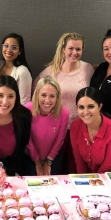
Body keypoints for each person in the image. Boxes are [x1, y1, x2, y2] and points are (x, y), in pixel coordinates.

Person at [33, 32, 94, 174]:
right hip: (56, 129)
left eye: (78, 49)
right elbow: (36, 91)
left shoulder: (88, 69)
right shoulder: (51, 70)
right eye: (71, 48)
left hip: (80, 127)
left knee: (75, 167)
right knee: (57, 169)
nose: (74, 52)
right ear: (64, 49)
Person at [70, 87, 111, 173]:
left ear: (100, 107)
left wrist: (92, 183)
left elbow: (107, 168)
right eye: (81, 107)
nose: (86, 112)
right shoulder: (75, 126)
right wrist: (83, 181)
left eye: (91, 107)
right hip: (89, 179)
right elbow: (79, 161)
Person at [24, 76, 69, 176]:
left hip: (52, 156)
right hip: (30, 157)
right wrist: (37, 162)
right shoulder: (26, 110)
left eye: (52, 96)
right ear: (37, 95)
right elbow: (27, 139)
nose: (47, 100)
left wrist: (49, 161)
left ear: (57, 97)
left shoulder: (64, 113)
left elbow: (59, 140)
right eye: (43, 95)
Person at [0, 33, 32, 105]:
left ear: (20, 51)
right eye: (6, 46)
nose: (9, 50)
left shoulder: (22, 71)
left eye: (14, 48)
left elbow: (24, 102)